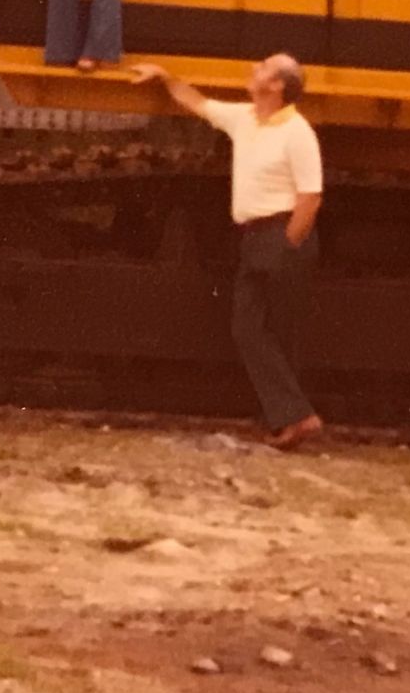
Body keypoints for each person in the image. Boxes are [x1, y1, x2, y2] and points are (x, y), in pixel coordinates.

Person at [133, 55, 325, 451]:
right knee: (250, 328)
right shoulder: (245, 118)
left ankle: (292, 420)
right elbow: (197, 103)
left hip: (281, 234)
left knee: (275, 331)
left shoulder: (297, 131)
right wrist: (166, 77)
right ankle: (293, 416)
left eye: (263, 69)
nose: (254, 69)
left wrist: (288, 245)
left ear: (277, 86)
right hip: (255, 236)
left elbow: (310, 197)